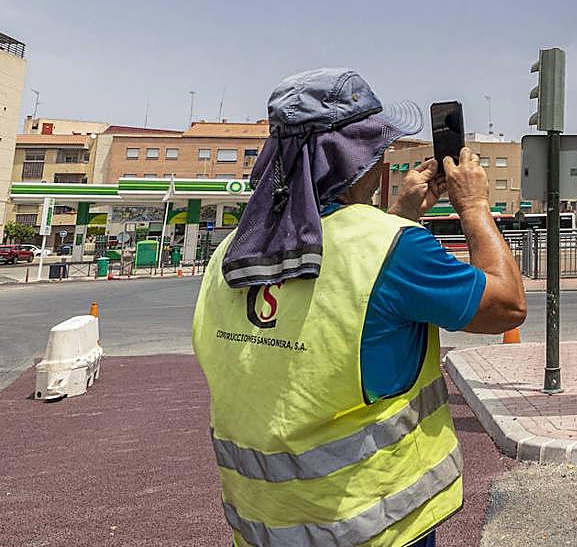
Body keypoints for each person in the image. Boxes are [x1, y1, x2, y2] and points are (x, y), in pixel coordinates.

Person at [192, 68, 526, 547]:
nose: (383, 158)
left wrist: (401, 213)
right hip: (370, 523)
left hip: (264, 524)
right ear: (353, 159)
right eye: (377, 147)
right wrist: (472, 206)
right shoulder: (394, 248)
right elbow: (506, 307)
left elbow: (342, 295)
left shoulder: (231, 253)